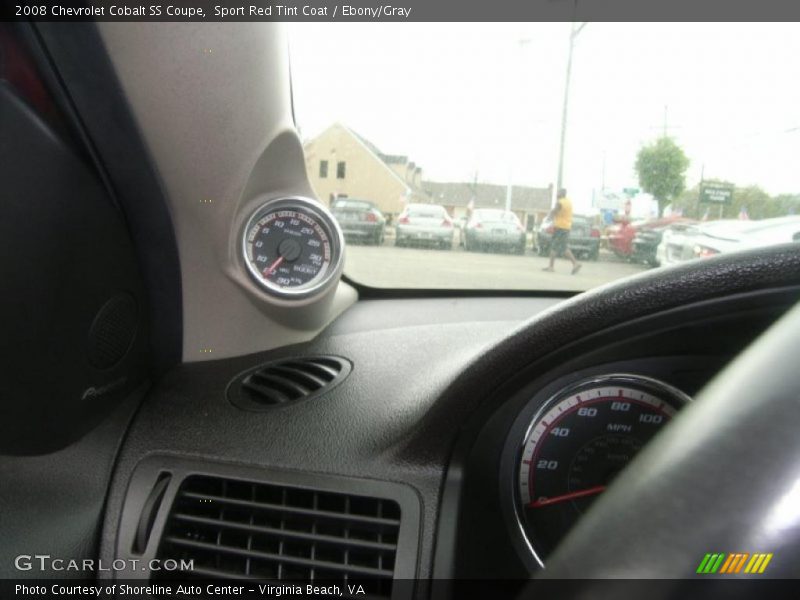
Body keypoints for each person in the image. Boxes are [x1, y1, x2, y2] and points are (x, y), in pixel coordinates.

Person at [543, 188, 582, 275]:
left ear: (560, 194)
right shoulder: (568, 202)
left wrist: (548, 217)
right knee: (562, 247)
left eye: (557, 193)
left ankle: (552, 267)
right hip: (566, 227)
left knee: (555, 247)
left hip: (560, 227)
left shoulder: (560, 202)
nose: (556, 194)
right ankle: (575, 264)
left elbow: (554, 211)